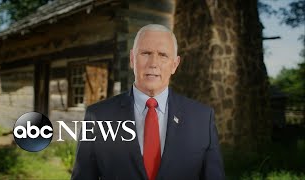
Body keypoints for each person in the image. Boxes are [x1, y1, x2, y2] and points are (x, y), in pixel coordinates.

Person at [71, 24, 225, 180]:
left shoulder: (202, 119)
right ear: (132, 59)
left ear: (175, 64)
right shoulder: (97, 116)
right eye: (145, 53)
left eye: (163, 55)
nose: (153, 63)